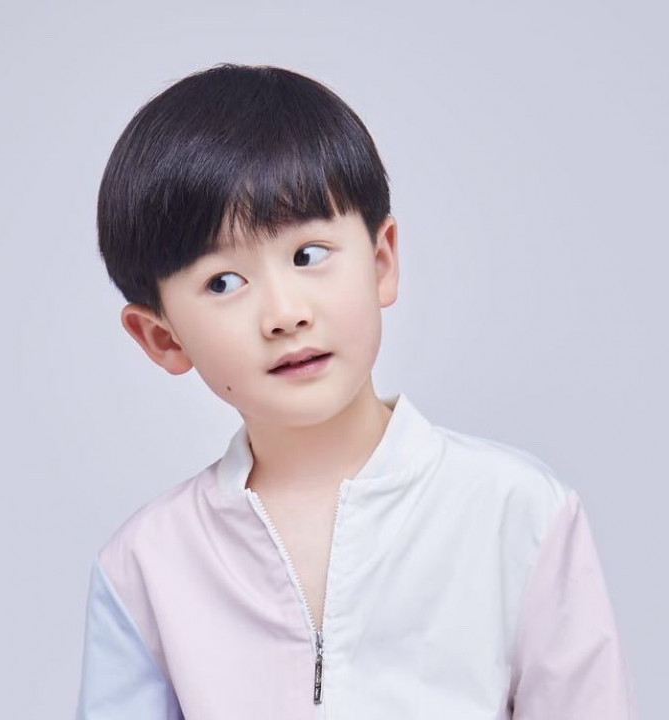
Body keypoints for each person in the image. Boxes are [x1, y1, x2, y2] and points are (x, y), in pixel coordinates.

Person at [75, 64, 637, 719]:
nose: (285, 314)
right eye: (223, 283)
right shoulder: (145, 565)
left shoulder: (519, 512)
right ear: (161, 337)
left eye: (308, 255)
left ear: (381, 262)